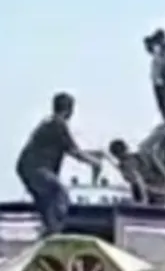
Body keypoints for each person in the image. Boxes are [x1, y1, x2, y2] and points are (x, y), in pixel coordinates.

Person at [16, 92, 102, 235]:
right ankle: (54, 232)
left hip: (26, 168)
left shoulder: (49, 123)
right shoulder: (59, 124)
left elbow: (69, 148)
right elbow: (74, 151)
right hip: (37, 169)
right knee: (60, 194)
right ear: (69, 110)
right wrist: (94, 162)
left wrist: (93, 156)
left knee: (46, 203)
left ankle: (48, 231)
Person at [146, 35, 165, 120]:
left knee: (163, 101)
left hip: (160, 82)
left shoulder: (157, 52)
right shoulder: (155, 55)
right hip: (157, 81)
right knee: (161, 103)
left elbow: (162, 66)